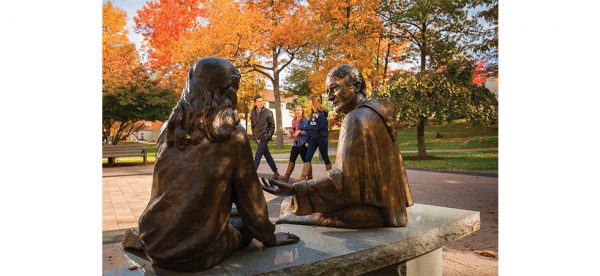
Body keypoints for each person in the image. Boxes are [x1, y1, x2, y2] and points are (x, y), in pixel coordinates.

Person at [121, 57, 299, 272]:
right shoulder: (233, 135)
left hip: (154, 240)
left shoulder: (169, 128)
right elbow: (251, 202)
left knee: (231, 213)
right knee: (244, 222)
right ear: (226, 91)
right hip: (193, 253)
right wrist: (269, 237)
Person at [261, 64, 414, 229]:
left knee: (287, 206)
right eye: (327, 91)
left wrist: (295, 189)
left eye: (334, 88)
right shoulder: (378, 114)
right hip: (390, 210)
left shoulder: (355, 119)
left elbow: (344, 183)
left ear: (356, 86)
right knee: (291, 204)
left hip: (369, 213)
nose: (329, 97)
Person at [297, 96, 332, 177]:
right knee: (308, 157)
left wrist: (303, 127)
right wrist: (308, 140)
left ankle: (331, 176)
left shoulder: (322, 114)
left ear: (313, 102)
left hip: (322, 138)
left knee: (325, 157)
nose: (308, 102)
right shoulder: (314, 114)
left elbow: (316, 127)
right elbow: (311, 127)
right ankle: (303, 177)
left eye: (309, 101)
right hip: (313, 138)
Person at [275, 105, 311, 182]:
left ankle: (310, 177)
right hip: (295, 143)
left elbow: (309, 132)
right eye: (297, 110)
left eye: (300, 110)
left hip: (303, 143)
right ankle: (286, 176)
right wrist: (289, 132)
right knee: (292, 159)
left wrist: (301, 132)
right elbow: (293, 131)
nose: (299, 111)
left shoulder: (305, 121)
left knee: (306, 160)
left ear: (302, 111)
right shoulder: (293, 121)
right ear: (295, 111)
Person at [250, 95, 280, 178]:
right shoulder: (252, 113)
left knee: (258, 155)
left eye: (261, 101)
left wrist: (267, 136)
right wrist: (254, 137)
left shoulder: (268, 112)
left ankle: (252, 174)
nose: (261, 103)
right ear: (255, 103)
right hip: (257, 138)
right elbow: (252, 126)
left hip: (264, 137)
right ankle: (276, 172)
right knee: (267, 156)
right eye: (259, 101)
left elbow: (272, 126)